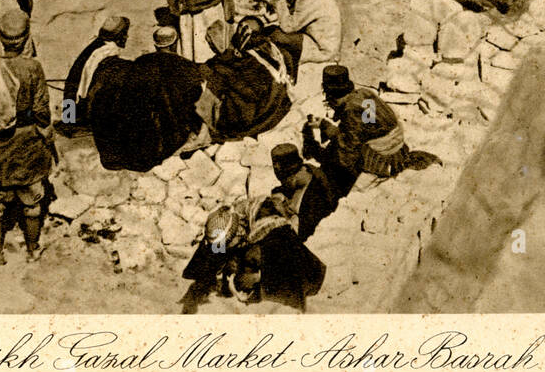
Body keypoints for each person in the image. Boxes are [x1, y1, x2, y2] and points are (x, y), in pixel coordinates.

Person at [0, 7, 54, 265]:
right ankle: (33, 249)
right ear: (27, 37)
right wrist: (45, 128)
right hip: (27, 142)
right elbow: (41, 109)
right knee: (32, 202)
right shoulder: (33, 68)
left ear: (1, 37)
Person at [302, 64, 440, 198]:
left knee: (341, 172)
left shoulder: (351, 110)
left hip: (383, 158)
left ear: (331, 97)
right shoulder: (364, 94)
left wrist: (322, 146)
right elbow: (367, 128)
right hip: (397, 148)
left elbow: (347, 153)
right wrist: (328, 126)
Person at [82, 25, 206, 171]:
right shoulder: (186, 67)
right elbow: (196, 97)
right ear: (175, 44)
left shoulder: (139, 63)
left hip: (142, 134)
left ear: (155, 45)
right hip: (168, 134)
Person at [181, 200, 326, 312]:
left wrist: (258, 277)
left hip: (308, 277)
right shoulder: (232, 219)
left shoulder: (274, 235)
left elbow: (291, 279)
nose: (227, 248)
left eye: (229, 244)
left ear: (239, 232)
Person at [199, 15, 295, 141]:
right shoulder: (273, 50)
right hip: (278, 109)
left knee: (215, 82)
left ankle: (203, 131)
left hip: (258, 118)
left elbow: (244, 87)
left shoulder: (245, 60)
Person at [270, 0, 342, 88]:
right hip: (315, 37)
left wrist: (281, 0)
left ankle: (288, 77)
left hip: (322, 48)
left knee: (276, 36)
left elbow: (287, 27)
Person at [61, 14, 130, 132]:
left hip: (70, 106)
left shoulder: (94, 46)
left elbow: (72, 81)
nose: (127, 36)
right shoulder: (107, 53)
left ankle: (68, 121)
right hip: (80, 109)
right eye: (125, 33)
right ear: (118, 36)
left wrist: (67, 118)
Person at [266, 143, 338, 243]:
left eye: (284, 180)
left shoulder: (316, 197)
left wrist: (284, 214)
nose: (282, 183)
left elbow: (304, 236)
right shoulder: (306, 174)